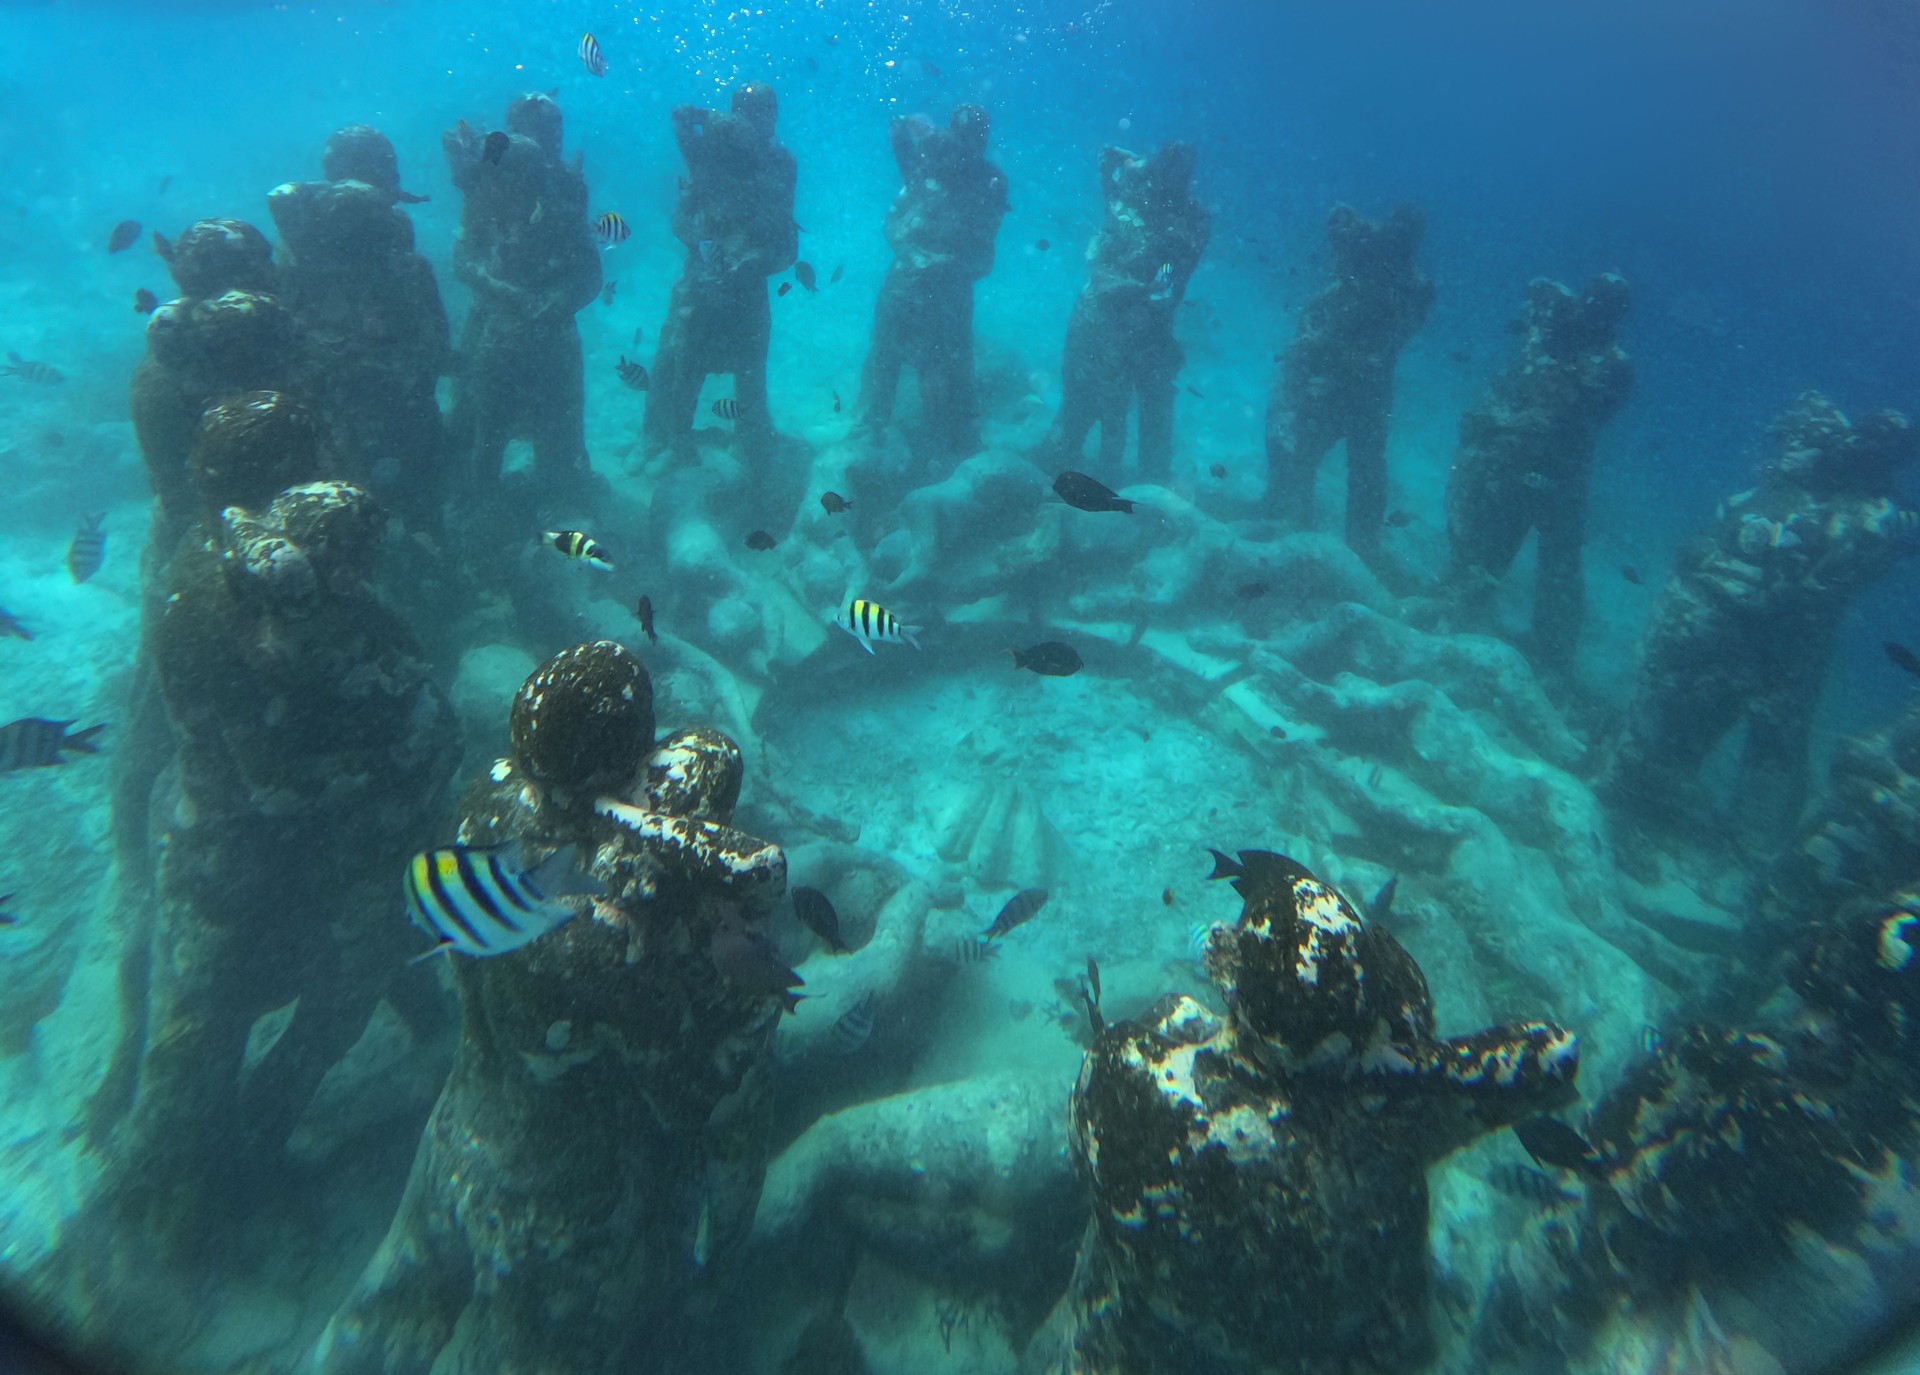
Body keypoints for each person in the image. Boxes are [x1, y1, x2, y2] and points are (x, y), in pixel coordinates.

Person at [1600, 392, 1918, 846]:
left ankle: (1745, 851)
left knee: (1766, 743)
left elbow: (1815, 570)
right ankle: (1661, 805)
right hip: (1749, 632)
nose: (1785, 450)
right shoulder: (1804, 497)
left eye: (1795, 440)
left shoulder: (1867, 515)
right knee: (1717, 725)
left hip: (1777, 640)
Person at [1443, 273, 1631, 672]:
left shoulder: (1611, 364)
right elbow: (1536, 290)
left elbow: (1591, 417)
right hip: (1522, 463)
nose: (1595, 311)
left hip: (1563, 476)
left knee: (1558, 564)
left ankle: (1551, 654)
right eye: (1593, 300)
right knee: (1495, 539)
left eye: (1607, 306)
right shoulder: (1550, 333)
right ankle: (1463, 613)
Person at [266, 125, 449, 523]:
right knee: (413, 487)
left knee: (348, 493)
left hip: (338, 395)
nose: (395, 176)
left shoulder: (298, 243)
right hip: (392, 392)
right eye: (386, 165)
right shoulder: (388, 236)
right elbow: (427, 328)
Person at [442, 94, 602, 496]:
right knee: (476, 426)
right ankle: (470, 497)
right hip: (491, 320)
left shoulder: (567, 186)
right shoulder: (487, 182)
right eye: (536, 132)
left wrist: (556, 303)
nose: (548, 142)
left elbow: (587, 269)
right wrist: (503, 293)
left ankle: (561, 490)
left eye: (554, 132)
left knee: (560, 434)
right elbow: (463, 259)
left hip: (551, 323)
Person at [643, 83, 797, 472]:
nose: (764, 121)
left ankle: (752, 440)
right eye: (754, 112)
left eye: (769, 111)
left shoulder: (782, 164)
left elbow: (786, 238)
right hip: (702, 282)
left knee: (750, 371)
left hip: (749, 287)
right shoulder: (711, 155)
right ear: (734, 116)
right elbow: (681, 219)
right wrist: (705, 247)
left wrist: (753, 261)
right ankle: (668, 441)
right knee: (682, 361)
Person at [1267, 203, 1432, 560]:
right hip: (1337, 383)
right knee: (1312, 453)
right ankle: (1298, 532)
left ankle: (1359, 548)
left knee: (1361, 466)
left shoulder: (1411, 285)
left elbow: (1395, 335)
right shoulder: (1364, 262)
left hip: (1362, 389)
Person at [1038, 141, 1210, 483]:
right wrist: (1131, 162)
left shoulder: (1186, 221)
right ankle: (1065, 469)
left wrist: (1146, 300)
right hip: (1103, 320)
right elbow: (1108, 168)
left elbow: (1172, 271)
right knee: (1082, 402)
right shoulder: (1130, 200)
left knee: (1148, 403)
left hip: (1144, 327)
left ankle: (1142, 483)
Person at [855, 104, 1008, 461]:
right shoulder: (932, 164)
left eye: (977, 137)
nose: (970, 145)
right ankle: (871, 432)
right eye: (965, 135)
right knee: (885, 357)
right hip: (908, 282)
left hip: (946, 290)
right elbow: (901, 203)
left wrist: (946, 265)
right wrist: (901, 132)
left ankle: (946, 443)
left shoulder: (989, 180)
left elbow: (983, 244)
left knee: (943, 369)